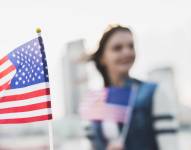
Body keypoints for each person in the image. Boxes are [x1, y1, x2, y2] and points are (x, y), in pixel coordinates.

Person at [84, 25, 179, 150]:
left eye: (131, 46)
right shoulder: (94, 102)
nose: (127, 52)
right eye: (117, 48)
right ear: (102, 58)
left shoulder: (154, 93)